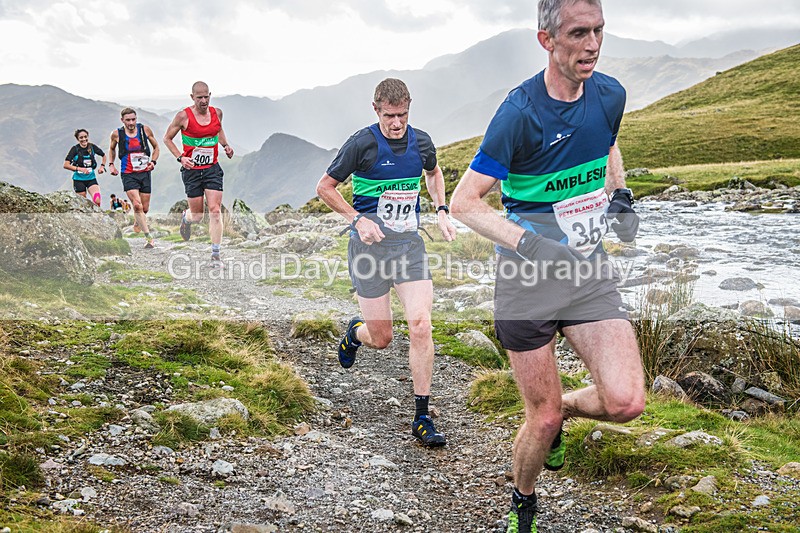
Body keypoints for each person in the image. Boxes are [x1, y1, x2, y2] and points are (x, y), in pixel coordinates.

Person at [449, 1, 645, 531]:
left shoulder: (610, 94)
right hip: (527, 281)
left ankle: (565, 414)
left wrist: (620, 193)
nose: (593, 45)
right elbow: (464, 202)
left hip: (587, 274)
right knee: (542, 415)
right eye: (579, 33)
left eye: (599, 31)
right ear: (547, 39)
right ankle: (524, 501)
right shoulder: (519, 114)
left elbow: (607, 143)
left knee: (627, 402)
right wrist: (531, 245)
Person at [316, 78, 457, 447]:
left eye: (403, 115)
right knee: (381, 338)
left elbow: (433, 172)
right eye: (389, 116)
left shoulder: (421, 142)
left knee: (421, 325)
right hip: (369, 252)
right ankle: (355, 333)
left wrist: (442, 209)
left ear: (409, 108)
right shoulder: (361, 144)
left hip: (408, 248)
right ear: (376, 110)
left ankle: (422, 416)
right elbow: (325, 187)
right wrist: (357, 220)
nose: (397, 123)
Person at [163, 81, 234, 266]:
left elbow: (218, 129)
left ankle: (216, 255)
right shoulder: (183, 117)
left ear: (210, 95)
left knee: (215, 211)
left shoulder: (217, 113)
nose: (203, 101)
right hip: (192, 171)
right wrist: (180, 158)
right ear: (192, 97)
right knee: (197, 216)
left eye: (206, 97)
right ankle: (185, 218)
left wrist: (225, 145)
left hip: (212, 169)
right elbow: (167, 138)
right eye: (199, 97)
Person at [108, 107, 161, 249]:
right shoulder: (116, 134)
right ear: (122, 120)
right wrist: (111, 164)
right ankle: (149, 238)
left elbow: (156, 147)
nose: (131, 123)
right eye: (128, 120)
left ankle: (138, 220)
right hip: (128, 173)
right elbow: (112, 149)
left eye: (133, 119)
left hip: (145, 173)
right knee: (137, 205)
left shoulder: (145, 130)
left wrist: (153, 162)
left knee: (145, 208)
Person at [64, 129, 106, 206]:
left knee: (97, 199)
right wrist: (80, 169)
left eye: (85, 137)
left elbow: (103, 155)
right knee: (83, 204)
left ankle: (97, 213)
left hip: (91, 178)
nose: (84, 139)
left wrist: (102, 167)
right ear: (78, 139)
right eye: (81, 137)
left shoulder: (92, 147)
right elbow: (66, 165)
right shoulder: (75, 149)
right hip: (78, 180)